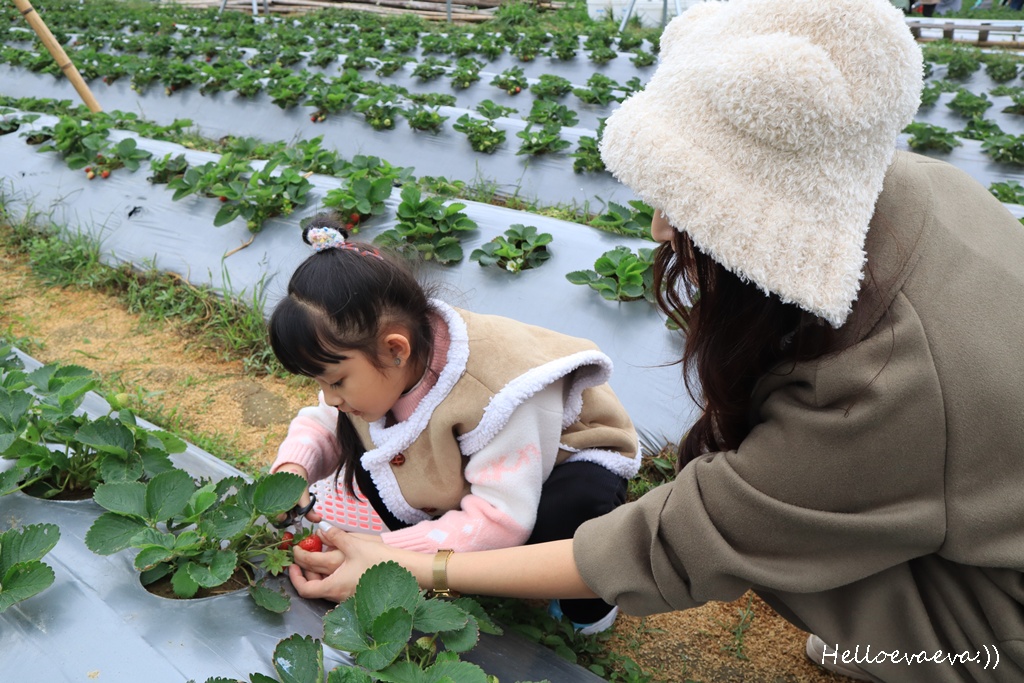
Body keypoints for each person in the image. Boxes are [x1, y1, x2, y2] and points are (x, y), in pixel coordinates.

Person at [287, 0, 1024, 680]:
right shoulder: (918, 185)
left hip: (1004, 608)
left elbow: (676, 543)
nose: (660, 227)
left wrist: (413, 566)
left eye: (689, 198)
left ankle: (935, 651)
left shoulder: (884, 382)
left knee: (775, 545)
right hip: (980, 499)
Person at [268, 216, 640, 634]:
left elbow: (503, 516)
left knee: (570, 504)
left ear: (395, 348)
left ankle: (586, 611)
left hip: (557, 461)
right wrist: (291, 472)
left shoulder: (498, 393)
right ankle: (445, 553)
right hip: (488, 463)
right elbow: (325, 422)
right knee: (373, 454)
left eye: (335, 381)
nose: (330, 396)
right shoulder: (382, 364)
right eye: (319, 382)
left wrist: (388, 555)